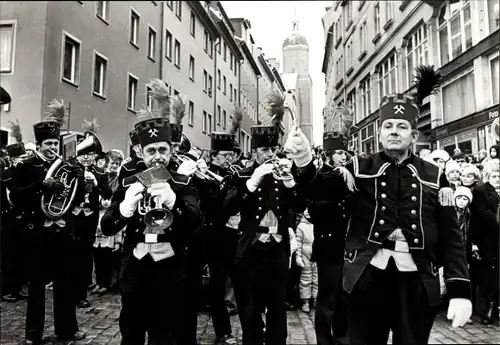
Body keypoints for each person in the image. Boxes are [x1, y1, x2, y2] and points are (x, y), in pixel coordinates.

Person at [286, 66, 472, 344]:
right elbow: (319, 187)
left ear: (414, 134)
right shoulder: (359, 168)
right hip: (367, 278)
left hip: (417, 281)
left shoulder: (434, 176)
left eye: (401, 127)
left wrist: (460, 290)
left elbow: (452, 239)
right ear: (380, 132)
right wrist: (302, 159)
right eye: (388, 126)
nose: (394, 132)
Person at [101, 89, 202, 345]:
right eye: (151, 151)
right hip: (134, 270)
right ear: (140, 152)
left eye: (162, 149)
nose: (157, 156)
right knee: (131, 334)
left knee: (164, 336)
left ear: (171, 150)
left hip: (170, 272)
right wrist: (125, 208)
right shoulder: (127, 180)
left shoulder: (183, 181)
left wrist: (173, 200)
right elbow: (107, 225)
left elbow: (195, 221)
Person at [222, 107, 306, 345]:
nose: (270, 154)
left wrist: (290, 183)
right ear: (255, 152)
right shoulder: (242, 175)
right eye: (264, 150)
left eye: (273, 149)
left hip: (278, 248)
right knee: (249, 308)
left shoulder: (286, 173)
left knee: (278, 307)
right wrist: (252, 181)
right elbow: (226, 207)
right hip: (250, 247)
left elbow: (300, 204)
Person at [9, 99, 86, 345]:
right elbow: (16, 196)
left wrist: (79, 178)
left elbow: (76, 198)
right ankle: (33, 334)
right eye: (48, 144)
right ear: (39, 145)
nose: (52, 148)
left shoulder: (66, 165)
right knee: (37, 285)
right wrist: (41, 186)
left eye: (55, 143)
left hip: (62, 230)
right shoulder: (26, 165)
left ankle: (67, 330)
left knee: (65, 283)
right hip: (37, 232)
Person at [305, 127, 354, 345]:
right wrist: (342, 200)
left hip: (349, 246)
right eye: (338, 153)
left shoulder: (353, 174)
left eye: (345, 153)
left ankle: (343, 339)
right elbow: (314, 209)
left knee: (345, 298)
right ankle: (324, 340)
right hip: (329, 246)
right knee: (327, 300)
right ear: (327, 155)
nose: (343, 157)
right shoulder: (319, 177)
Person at [469, 159, 499, 325]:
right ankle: (489, 308)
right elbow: (480, 213)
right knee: (490, 275)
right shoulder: (481, 191)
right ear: (488, 175)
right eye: (494, 174)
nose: (498, 177)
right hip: (489, 240)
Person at [295, 208, 318, 313]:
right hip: (306, 257)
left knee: (317, 279)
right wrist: (298, 256)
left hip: (317, 256)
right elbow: (298, 243)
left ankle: (315, 299)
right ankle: (306, 301)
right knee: (305, 279)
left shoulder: (318, 224)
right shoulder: (301, 226)